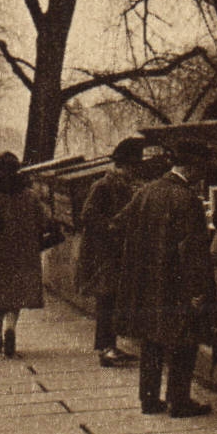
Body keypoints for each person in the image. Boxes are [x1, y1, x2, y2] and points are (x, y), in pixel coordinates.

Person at [112, 139, 215, 417]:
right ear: (192, 168)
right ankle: (178, 401)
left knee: (152, 339)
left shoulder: (147, 191)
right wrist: (198, 290)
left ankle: (149, 399)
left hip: (148, 282)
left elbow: (120, 224)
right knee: (184, 340)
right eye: (201, 170)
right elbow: (193, 250)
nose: (202, 176)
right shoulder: (187, 199)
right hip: (176, 284)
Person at [77, 137, 147, 367]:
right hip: (104, 254)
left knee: (113, 300)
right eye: (132, 166)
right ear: (123, 166)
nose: (134, 171)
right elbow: (87, 215)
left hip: (117, 252)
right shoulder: (103, 186)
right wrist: (112, 226)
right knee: (107, 300)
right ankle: (105, 348)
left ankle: (110, 346)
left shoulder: (125, 186)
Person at [0, 152, 49, 358]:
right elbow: (45, 221)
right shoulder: (30, 195)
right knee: (15, 294)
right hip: (22, 252)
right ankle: (10, 326)